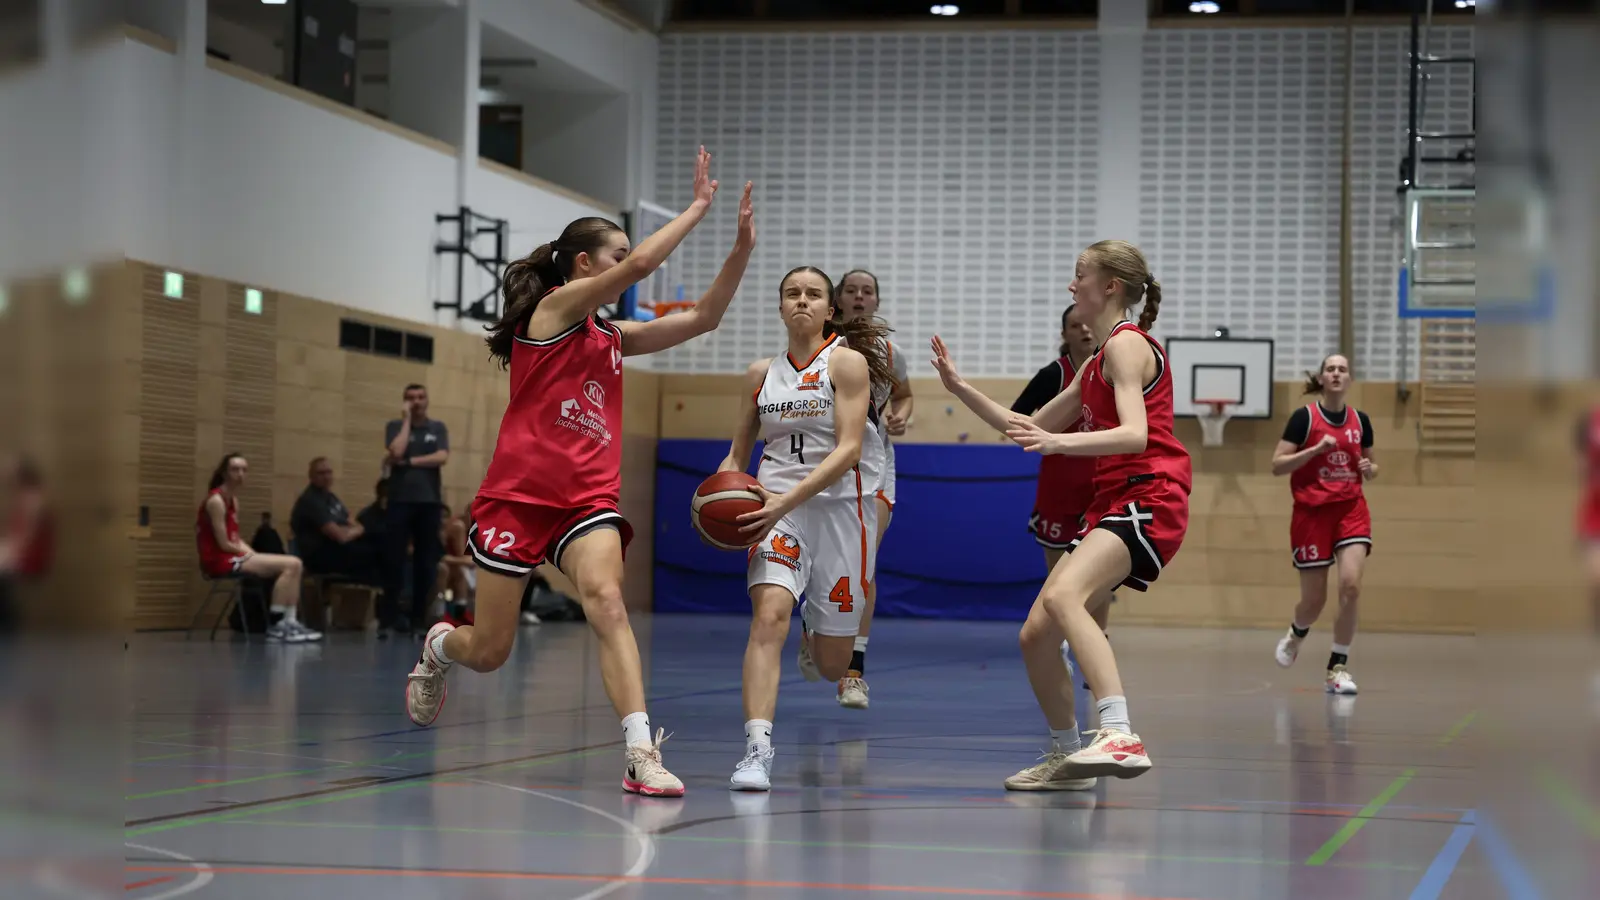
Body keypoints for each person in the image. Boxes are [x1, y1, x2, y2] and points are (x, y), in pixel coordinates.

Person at [405, 149, 755, 799]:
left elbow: (703, 318)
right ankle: (439, 647)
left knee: (608, 601)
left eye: (628, 253)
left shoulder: (613, 337)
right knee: (490, 651)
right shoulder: (552, 314)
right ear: (585, 265)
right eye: (618, 255)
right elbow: (649, 262)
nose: (631, 264)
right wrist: (699, 208)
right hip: (516, 498)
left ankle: (639, 751)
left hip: (585, 501)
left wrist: (740, 249)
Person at [931, 239, 1188, 786]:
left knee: (1063, 595)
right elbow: (1027, 427)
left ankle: (1119, 732)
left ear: (1110, 287)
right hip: (1114, 502)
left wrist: (1060, 446)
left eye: (1080, 275)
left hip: (1151, 493)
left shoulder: (1127, 346)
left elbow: (1136, 434)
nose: (1072, 285)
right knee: (1035, 636)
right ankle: (1067, 755)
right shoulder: (1095, 360)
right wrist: (960, 387)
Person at [718, 266, 895, 791]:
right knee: (767, 616)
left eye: (813, 294)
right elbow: (736, 453)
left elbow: (847, 451)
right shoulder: (759, 374)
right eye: (791, 293)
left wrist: (782, 501)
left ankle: (813, 628)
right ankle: (756, 749)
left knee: (832, 662)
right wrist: (725, 497)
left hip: (843, 509)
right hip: (780, 510)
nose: (802, 301)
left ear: (829, 310)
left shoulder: (848, 363)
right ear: (779, 308)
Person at [1011, 304, 1109, 690]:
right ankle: (1061, 644)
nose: (1084, 330)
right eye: (1075, 325)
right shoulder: (1054, 375)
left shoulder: (1112, 372)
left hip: (1101, 490)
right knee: (1058, 580)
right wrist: (1045, 435)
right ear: (1065, 333)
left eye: (1088, 324)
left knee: (1098, 580)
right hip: (1057, 491)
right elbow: (1016, 418)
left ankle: (1098, 644)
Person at [1271, 354, 1376, 695]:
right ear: (1321, 377)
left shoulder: (1361, 421)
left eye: (1342, 369)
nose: (1335, 373)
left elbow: (1372, 466)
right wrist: (1314, 451)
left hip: (1350, 510)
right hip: (1311, 514)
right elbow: (1278, 464)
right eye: (1330, 368)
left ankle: (1338, 666)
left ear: (1349, 379)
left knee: (1351, 586)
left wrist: (1370, 470)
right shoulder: (1304, 419)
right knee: (1313, 601)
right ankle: (1297, 632)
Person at [832, 269, 912, 710]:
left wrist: (902, 415)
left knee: (864, 563)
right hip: (824, 469)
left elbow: (905, 395)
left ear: (876, 302)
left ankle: (853, 671)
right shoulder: (821, 348)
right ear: (838, 300)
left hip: (875, 468)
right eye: (851, 290)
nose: (860, 297)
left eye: (868, 292)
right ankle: (815, 630)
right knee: (821, 562)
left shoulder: (890, 351)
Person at [196, 453, 322, 642]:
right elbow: (223, 544)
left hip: (233, 556)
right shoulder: (216, 501)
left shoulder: (234, 501)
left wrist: (253, 555)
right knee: (289, 564)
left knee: (296, 563)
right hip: (219, 560)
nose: (240, 474)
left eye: (244, 470)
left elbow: (236, 539)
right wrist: (250, 557)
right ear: (224, 472)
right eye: (235, 469)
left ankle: (290, 621)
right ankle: (277, 624)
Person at [381, 383, 450, 636]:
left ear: (427, 400)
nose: (416, 402)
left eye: (421, 397)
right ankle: (388, 619)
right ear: (405, 401)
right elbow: (395, 450)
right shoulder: (394, 427)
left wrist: (409, 462)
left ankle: (419, 620)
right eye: (411, 398)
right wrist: (406, 420)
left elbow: (441, 457)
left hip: (429, 502)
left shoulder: (437, 428)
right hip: (399, 500)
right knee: (394, 561)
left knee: (426, 562)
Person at [0, 456, 52, 634]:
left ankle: (7, 619)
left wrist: (10, 551)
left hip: (29, 555)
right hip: (20, 550)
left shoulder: (32, 500)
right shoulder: (25, 498)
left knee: (3, 570)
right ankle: (6, 616)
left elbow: (28, 536)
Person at [290, 457, 365, 577]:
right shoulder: (311, 500)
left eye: (329, 472)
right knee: (373, 553)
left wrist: (351, 530)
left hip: (335, 549)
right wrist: (356, 530)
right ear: (311, 476)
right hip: (319, 556)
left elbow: (352, 522)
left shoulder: (331, 498)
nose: (326, 476)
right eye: (321, 473)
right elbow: (340, 536)